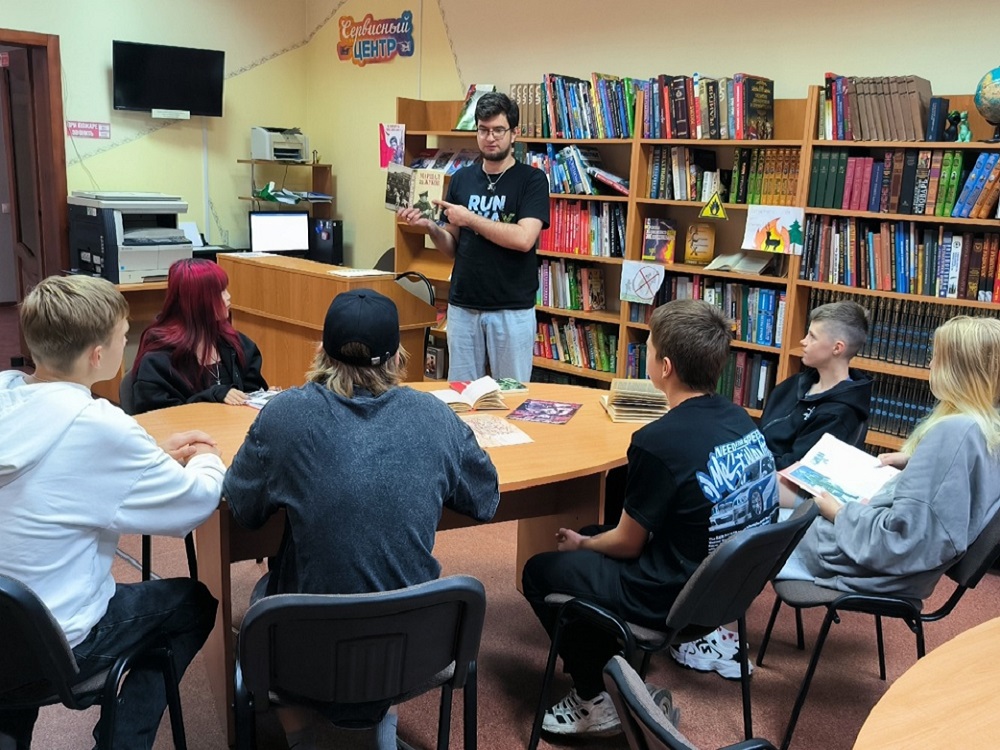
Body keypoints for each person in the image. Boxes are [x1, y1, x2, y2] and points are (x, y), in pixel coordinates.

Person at [222, 288, 500, 750]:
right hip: (412, 652)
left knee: (263, 599)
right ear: (398, 357)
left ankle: (303, 741)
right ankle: (381, 731)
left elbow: (245, 511)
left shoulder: (284, 416)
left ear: (322, 351)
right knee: (387, 582)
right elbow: (485, 498)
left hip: (307, 657)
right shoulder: (434, 416)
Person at [521, 299, 778, 738]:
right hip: (727, 591)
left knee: (541, 570)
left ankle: (593, 699)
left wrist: (584, 545)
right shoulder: (740, 419)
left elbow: (626, 544)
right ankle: (618, 664)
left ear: (665, 366)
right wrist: (592, 540)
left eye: (650, 347)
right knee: (593, 533)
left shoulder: (657, 441)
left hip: (672, 598)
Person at [0, 275, 225, 749]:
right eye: (124, 336)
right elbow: (193, 503)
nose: (128, 344)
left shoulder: (7, 396)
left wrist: (149, 457)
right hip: (59, 644)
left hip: (7, 631)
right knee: (192, 604)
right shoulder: (98, 425)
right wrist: (208, 457)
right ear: (97, 356)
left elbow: (69, 476)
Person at [670, 300, 872, 679]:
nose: (802, 341)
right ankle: (688, 607)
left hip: (800, 492)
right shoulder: (797, 384)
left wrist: (745, 461)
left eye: (811, 336)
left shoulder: (843, 410)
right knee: (696, 477)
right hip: (767, 472)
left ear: (837, 348)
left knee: (710, 502)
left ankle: (704, 624)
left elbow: (803, 470)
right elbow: (760, 433)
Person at [777, 315, 1000, 601]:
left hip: (868, 563)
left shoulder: (955, 432)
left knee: (757, 525)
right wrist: (916, 461)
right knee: (776, 512)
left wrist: (839, 513)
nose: (931, 364)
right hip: (898, 565)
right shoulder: (987, 427)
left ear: (960, 370)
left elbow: (903, 541)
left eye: (937, 357)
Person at [397, 92, 550, 383]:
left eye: (498, 130)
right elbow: (452, 247)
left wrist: (469, 219)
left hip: (511, 308)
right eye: (483, 130)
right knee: (462, 394)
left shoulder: (532, 180)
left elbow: (523, 239)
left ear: (514, 133)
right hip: (463, 306)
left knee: (510, 394)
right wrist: (431, 228)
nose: (490, 138)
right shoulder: (462, 179)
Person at [130, 257, 268, 414]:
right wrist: (211, 396)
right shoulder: (158, 360)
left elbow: (252, 396)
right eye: (219, 292)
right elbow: (161, 418)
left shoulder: (239, 345)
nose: (228, 296)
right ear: (197, 301)